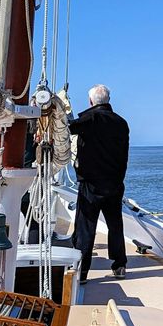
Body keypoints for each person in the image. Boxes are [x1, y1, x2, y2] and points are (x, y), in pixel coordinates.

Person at [67, 84, 130, 284]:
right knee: (115, 225)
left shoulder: (90, 119)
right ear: (108, 100)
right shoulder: (122, 123)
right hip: (115, 183)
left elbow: (68, 128)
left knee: (86, 228)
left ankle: (83, 272)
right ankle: (119, 265)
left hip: (91, 184)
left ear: (91, 102)